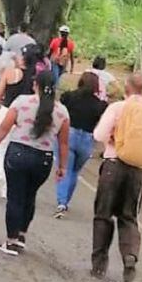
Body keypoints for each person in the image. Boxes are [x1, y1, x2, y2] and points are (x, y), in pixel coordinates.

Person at [90, 73, 142, 282]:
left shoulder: (118, 108)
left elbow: (98, 135)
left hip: (113, 166)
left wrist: (114, 139)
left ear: (127, 89)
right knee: (129, 216)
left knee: (103, 214)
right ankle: (130, 255)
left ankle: (99, 264)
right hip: (139, 172)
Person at [0, 68, 70, 256]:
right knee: (29, 197)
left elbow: (4, 127)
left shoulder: (22, 102)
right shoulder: (62, 112)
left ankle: (11, 240)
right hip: (44, 159)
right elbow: (64, 142)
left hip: (18, 153)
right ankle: (22, 235)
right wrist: (62, 166)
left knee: (15, 197)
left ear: (36, 85)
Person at [0, 46, 38, 199]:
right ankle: (8, 186)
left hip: (6, 111)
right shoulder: (35, 78)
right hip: (25, 116)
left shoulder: (10, 72)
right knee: (14, 151)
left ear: (23, 58)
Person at [55, 72, 108, 216]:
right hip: (87, 139)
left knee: (64, 168)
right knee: (74, 172)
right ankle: (65, 200)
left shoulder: (68, 97)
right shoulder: (100, 105)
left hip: (68, 135)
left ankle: (61, 202)